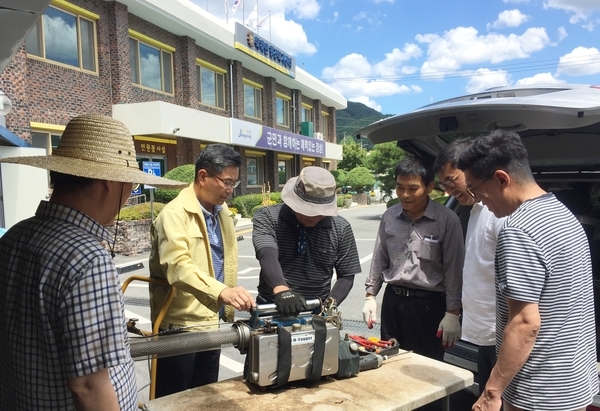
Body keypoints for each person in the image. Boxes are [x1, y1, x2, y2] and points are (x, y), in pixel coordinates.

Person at [0, 114, 185, 411]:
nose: (128, 198)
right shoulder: (87, 259)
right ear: (110, 183)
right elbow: (88, 385)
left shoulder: (14, 237)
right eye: (130, 186)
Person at [456, 130, 598, 411]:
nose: (478, 199)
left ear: (501, 179)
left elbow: (525, 323)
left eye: (476, 189)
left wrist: (491, 392)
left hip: (538, 392)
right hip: (573, 383)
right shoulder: (563, 213)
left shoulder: (519, 229)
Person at [149, 144, 255, 398]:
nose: (230, 190)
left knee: (206, 397)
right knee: (173, 400)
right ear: (203, 176)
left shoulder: (222, 212)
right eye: (226, 182)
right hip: (179, 325)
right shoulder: (173, 214)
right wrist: (223, 292)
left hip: (211, 320)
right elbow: (178, 267)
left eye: (235, 183)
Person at [362, 156, 464, 361]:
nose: (405, 194)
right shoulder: (390, 216)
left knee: (426, 369)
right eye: (400, 187)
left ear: (429, 187)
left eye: (413, 188)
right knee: (389, 361)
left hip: (428, 307)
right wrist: (370, 295)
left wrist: (453, 312)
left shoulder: (446, 220)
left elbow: (454, 268)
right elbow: (380, 257)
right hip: (394, 302)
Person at [434, 139, 506, 394]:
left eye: (453, 180)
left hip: (506, 338)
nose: (450, 189)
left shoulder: (501, 213)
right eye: (444, 184)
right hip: (486, 336)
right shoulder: (475, 210)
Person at [253, 166, 361, 316]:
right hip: (271, 307)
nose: (315, 216)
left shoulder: (341, 228)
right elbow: (266, 252)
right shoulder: (268, 217)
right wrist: (281, 289)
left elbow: (347, 274)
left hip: (317, 310)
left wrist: (329, 304)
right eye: (308, 210)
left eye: (321, 212)